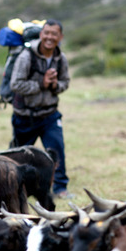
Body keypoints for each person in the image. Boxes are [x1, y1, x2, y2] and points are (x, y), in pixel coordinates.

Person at [9, 19, 74, 199]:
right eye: (47, 33)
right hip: (25, 117)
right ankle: (14, 187)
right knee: (18, 156)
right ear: (41, 34)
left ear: (60, 37)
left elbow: (65, 83)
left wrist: (54, 85)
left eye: (54, 34)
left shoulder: (61, 58)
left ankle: (60, 188)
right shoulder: (26, 56)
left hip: (50, 115)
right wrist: (41, 83)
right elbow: (16, 85)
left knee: (57, 149)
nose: (49, 37)